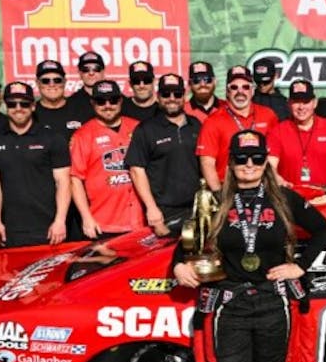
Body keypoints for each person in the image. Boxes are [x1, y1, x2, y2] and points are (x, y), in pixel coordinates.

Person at [172, 129, 326, 362]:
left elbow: (323, 230)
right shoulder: (212, 200)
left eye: (256, 159)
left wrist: (301, 266)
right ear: (229, 163)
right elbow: (185, 244)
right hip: (230, 307)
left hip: (273, 303)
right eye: (241, 159)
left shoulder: (284, 199)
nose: (248, 165)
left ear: (265, 162)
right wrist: (178, 267)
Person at [0, 82, 71, 247]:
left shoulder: (52, 138)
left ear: (33, 106)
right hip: (10, 229)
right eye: (12, 104)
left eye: (24, 103)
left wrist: (60, 221)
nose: (18, 108)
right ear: (6, 106)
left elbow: (63, 182)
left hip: (49, 227)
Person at [127, 73, 202, 235]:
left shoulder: (196, 125)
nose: (172, 98)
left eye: (177, 93)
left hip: (197, 209)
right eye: (166, 94)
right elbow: (136, 170)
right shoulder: (146, 129)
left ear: (184, 95)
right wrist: (151, 208)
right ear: (158, 96)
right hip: (163, 212)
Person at [69, 80, 145, 238]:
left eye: (113, 100)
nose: (107, 105)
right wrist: (86, 218)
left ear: (121, 101)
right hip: (103, 223)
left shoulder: (138, 128)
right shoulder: (82, 135)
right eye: (101, 101)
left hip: (139, 220)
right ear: (92, 103)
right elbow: (75, 180)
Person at [196, 65, 279, 190]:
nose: (240, 92)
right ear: (227, 92)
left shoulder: (268, 116)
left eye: (245, 87)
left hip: (263, 189)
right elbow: (207, 163)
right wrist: (219, 194)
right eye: (234, 87)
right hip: (228, 189)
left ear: (252, 90)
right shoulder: (213, 121)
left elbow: (274, 157)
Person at [267, 80, 326, 188]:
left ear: (315, 103)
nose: (301, 107)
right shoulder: (277, 131)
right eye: (296, 101)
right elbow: (271, 164)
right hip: (291, 196)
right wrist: (276, 177)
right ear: (289, 103)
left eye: (306, 102)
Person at [34, 59, 90, 139]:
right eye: (45, 81)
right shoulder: (30, 114)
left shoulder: (83, 110)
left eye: (57, 80)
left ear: (64, 81)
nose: (52, 84)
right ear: (37, 83)